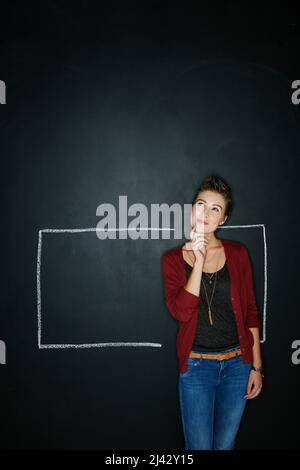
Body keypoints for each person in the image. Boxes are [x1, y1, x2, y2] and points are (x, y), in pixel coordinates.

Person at [161, 175, 263, 450]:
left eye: (215, 209)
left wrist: (256, 367)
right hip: (196, 367)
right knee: (198, 447)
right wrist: (199, 261)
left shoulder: (239, 254)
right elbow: (181, 312)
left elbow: (251, 312)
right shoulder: (171, 260)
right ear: (192, 209)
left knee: (225, 445)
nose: (205, 213)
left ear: (223, 219)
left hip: (237, 366)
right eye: (200, 204)